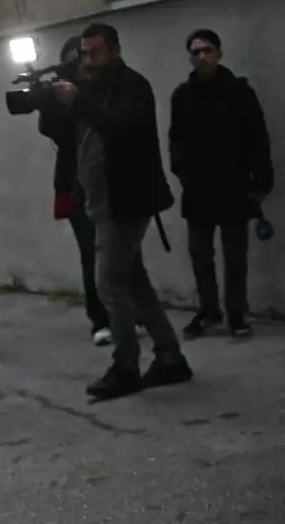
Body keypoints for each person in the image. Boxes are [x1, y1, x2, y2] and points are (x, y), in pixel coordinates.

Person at [51, 23, 193, 400]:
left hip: (127, 200)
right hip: (100, 200)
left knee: (109, 283)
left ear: (114, 50)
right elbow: (63, 134)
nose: (88, 59)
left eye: (95, 52)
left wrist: (79, 100)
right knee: (133, 280)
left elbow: (120, 129)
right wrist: (54, 98)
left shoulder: (132, 86)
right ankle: (170, 356)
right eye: (84, 53)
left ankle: (126, 366)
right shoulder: (90, 87)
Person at [169, 29, 273, 339]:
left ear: (219, 53)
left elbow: (258, 137)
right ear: (190, 58)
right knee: (200, 256)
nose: (202, 56)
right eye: (196, 52)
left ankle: (237, 314)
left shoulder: (239, 92)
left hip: (234, 186)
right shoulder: (182, 95)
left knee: (235, 258)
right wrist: (182, 171)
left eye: (208, 50)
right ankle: (209, 311)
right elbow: (176, 139)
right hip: (197, 189)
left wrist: (261, 182)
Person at [38, 37, 113, 346]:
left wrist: (79, 98)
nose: (79, 63)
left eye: (82, 56)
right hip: (75, 183)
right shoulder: (61, 95)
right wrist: (53, 99)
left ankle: (129, 310)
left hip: (108, 179)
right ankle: (100, 319)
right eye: (72, 59)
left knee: (120, 251)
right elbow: (49, 128)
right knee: (90, 251)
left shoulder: (103, 88)